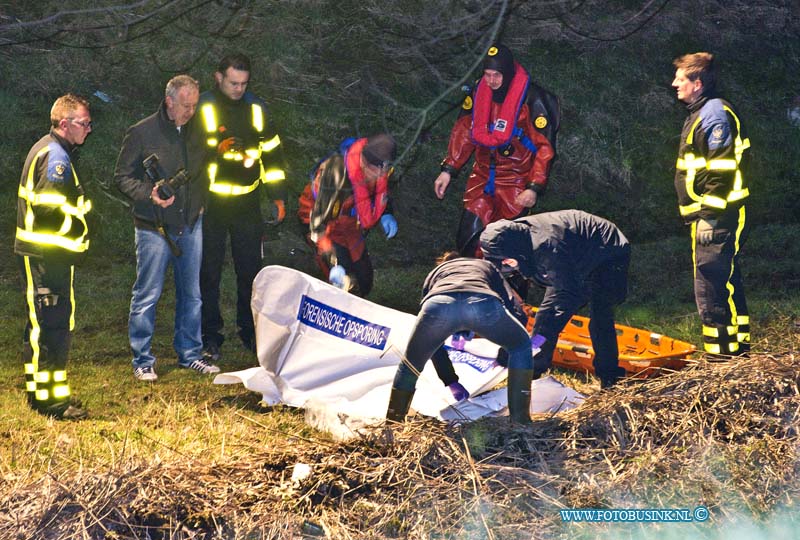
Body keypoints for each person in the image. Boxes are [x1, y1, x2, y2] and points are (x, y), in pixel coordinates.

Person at [114, 75, 219, 381]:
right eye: (186, 105)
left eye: (195, 105)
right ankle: (142, 359)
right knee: (147, 293)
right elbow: (122, 177)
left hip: (190, 223)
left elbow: (206, 167)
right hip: (153, 228)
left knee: (193, 294)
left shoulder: (199, 129)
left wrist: (201, 203)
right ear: (169, 102)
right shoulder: (142, 132)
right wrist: (149, 193)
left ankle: (190, 353)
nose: (191, 111)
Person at [196, 53, 287, 360]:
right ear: (218, 77)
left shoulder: (257, 108)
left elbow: (272, 154)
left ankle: (249, 331)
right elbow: (189, 150)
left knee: (250, 270)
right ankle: (210, 335)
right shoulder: (202, 106)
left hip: (247, 202)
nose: (238, 89)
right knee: (207, 271)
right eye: (233, 82)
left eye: (243, 83)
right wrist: (215, 149)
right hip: (211, 204)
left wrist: (277, 195)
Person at [480, 210, 630, 389]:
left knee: (600, 316)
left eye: (507, 261)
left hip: (606, 250)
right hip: (573, 251)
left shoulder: (548, 248)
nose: (505, 265)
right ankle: (531, 369)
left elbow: (569, 294)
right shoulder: (510, 242)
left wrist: (539, 339)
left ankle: (610, 377)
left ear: (516, 251)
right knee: (546, 316)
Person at [434, 43, 558, 256]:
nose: (491, 81)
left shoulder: (532, 99)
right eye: (487, 75)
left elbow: (544, 149)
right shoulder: (478, 93)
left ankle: (508, 288)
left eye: (496, 75)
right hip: (482, 177)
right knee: (468, 240)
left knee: (507, 252)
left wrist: (534, 187)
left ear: (508, 74)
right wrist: (448, 169)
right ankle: (469, 283)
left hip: (516, 181)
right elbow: (464, 132)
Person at [386, 252, 534, 425]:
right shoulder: (487, 267)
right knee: (521, 346)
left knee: (410, 364)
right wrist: (507, 347)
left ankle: (392, 424)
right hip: (482, 303)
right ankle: (520, 421)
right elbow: (512, 305)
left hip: (438, 305)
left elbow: (435, 346)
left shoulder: (435, 273)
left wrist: (450, 381)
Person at [15, 94, 93, 419]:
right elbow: (49, 212)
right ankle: (51, 403)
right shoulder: (56, 158)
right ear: (65, 123)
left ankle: (43, 396)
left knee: (46, 326)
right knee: (52, 327)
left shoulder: (50, 149)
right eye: (84, 123)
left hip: (46, 255)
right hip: (48, 256)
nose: (89, 129)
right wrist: (77, 231)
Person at [671, 52, 750, 357]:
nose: (674, 84)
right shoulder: (703, 111)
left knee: (711, 286)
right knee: (724, 281)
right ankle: (736, 351)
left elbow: (722, 170)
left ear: (698, 83)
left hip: (718, 216)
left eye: (681, 79)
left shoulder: (713, 115)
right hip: (712, 215)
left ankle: (721, 358)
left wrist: (710, 216)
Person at [297, 134, 398, 296]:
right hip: (320, 223)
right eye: (377, 170)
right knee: (346, 285)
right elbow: (318, 226)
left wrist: (386, 213)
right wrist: (333, 262)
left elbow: (382, 193)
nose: (382, 175)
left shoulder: (379, 170)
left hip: (349, 224)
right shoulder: (335, 175)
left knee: (365, 282)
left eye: (386, 170)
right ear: (364, 162)